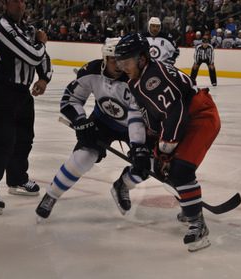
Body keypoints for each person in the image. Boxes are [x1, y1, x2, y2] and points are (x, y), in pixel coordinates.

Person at [114, 33, 221, 252]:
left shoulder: (152, 79)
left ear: (142, 58)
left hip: (200, 117)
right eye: (120, 62)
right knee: (158, 166)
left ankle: (197, 224)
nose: (123, 66)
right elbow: (153, 114)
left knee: (180, 170)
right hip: (184, 119)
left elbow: (176, 113)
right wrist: (146, 145)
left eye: (127, 61)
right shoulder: (138, 78)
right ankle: (124, 185)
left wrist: (165, 151)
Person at [35, 38, 149, 219]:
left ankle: (123, 185)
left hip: (136, 126)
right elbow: (71, 100)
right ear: (104, 58)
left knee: (148, 163)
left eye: (123, 60)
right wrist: (81, 121)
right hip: (103, 121)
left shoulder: (137, 78)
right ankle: (52, 195)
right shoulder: (91, 71)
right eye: (114, 59)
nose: (119, 65)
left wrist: (139, 147)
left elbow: (142, 115)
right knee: (84, 156)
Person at [0, 0, 52, 215]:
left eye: (23, 1)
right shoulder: (3, 26)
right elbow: (33, 54)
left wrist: (44, 78)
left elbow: (43, 59)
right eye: (16, 1)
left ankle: (17, 180)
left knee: (24, 139)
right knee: (0, 143)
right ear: (6, 4)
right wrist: (41, 43)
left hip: (21, 93)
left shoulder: (28, 29)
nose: (21, 5)